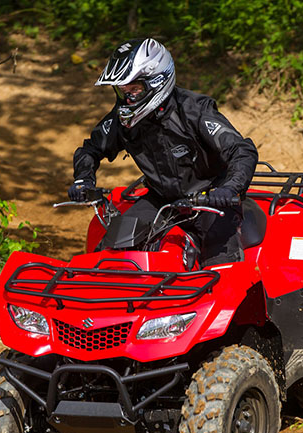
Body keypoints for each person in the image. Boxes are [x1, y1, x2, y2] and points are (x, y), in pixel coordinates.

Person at [69, 37, 258, 266]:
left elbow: (242, 149)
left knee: (220, 258)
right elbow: (89, 150)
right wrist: (82, 180)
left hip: (211, 199)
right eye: (122, 91)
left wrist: (230, 187)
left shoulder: (194, 110)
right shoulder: (123, 119)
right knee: (113, 245)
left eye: (135, 89)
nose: (128, 98)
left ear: (158, 82)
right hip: (161, 199)